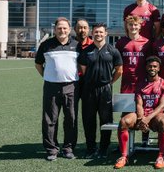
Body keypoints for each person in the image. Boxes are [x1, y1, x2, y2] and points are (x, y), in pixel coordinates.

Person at [35, 17, 80, 161]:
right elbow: (38, 64)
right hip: (51, 87)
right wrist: (49, 76)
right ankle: (51, 149)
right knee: (49, 119)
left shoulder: (76, 45)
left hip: (71, 86)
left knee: (71, 119)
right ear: (54, 30)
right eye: (59, 28)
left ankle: (68, 148)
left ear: (69, 29)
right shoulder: (46, 45)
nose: (62, 30)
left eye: (65, 28)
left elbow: (81, 66)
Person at [114, 56, 164, 169]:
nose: (152, 68)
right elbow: (139, 103)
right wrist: (141, 118)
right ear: (146, 67)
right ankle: (124, 156)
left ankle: (160, 156)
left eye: (155, 66)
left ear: (159, 68)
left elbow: (162, 106)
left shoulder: (163, 83)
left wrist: (147, 119)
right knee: (124, 121)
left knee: (163, 120)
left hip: (154, 115)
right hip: (141, 114)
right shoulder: (140, 83)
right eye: (150, 66)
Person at [78, 23, 122, 159]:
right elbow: (83, 70)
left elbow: (119, 70)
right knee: (89, 120)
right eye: (96, 32)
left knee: (106, 120)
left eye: (101, 32)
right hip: (89, 90)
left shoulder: (113, 50)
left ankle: (103, 148)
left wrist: (109, 82)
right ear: (92, 33)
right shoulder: (86, 51)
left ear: (106, 34)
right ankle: (91, 148)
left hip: (105, 90)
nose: (98, 34)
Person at [116, 15, 152, 93]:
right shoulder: (121, 42)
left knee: (142, 104)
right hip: (126, 80)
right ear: (127, 26)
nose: (133, 27)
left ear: (140, 26)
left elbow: (150, 61)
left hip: (142, 78)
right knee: (126, 103)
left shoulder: (146, 42)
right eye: (130, 24)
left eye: (135, 24)